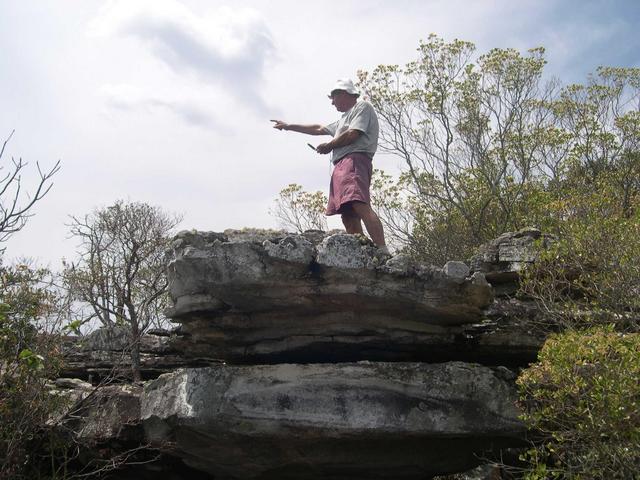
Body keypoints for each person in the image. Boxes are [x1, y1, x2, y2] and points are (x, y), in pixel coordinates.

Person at [271, 79, 387, 251]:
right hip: (341, 165)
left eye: (333, 98)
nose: (332, 103)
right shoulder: (342, 119)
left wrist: (329, 145)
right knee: (347, 212)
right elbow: (318, 128)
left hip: (354, 160)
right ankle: (364, 253)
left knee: (358, 203)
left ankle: (382, 250)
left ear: (344, 94)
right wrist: (288, 126)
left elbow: (353, 134)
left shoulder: (362, 107)